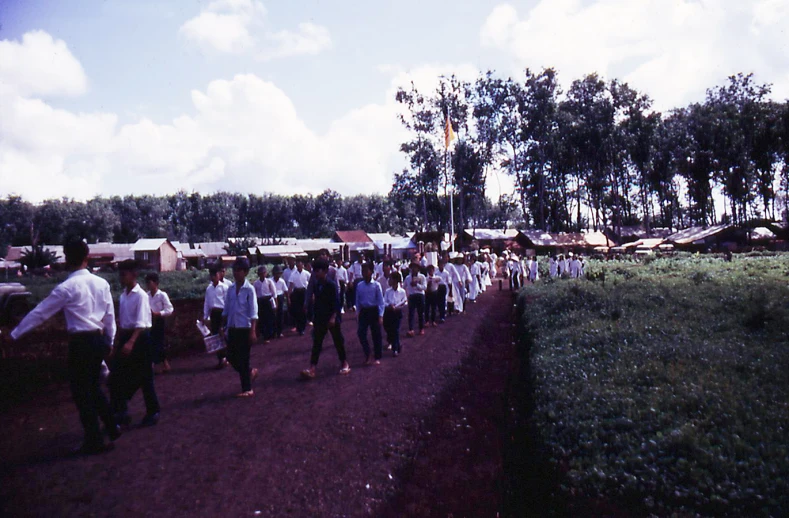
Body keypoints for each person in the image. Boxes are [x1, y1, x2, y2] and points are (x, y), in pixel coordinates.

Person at [10, 239, 120, 455]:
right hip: (98, 340)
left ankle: (95, 440)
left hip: (81, 343)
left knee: (82, 392)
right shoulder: (101, 283)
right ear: (87, 257)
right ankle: (111, 425)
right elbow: (110, 316)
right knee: (93, 387)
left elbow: (40, 313)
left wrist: (15, 334)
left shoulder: (66, 288)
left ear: (67, 259)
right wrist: (110, 340)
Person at [110, 260, 160, 428]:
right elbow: (123, 320)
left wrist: (131, 342)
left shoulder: (141, 296)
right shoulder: (123, 296)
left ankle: (153, 411)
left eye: (124, 274)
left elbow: (141, 321)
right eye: (120, 274)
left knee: (146, 377)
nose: (121, 278)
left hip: (140, 337)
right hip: (126, 336)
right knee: (116, 375)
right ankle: (121, 411)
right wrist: (119, 340)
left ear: (134, 275)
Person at [300, 259, 350, 379]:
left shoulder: (331, 285)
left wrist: (333, 317)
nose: (316, 273)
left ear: (326, 271)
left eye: (318, 271)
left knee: (338, 341)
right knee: (317, 343)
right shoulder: (317, 285)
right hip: (320, 318)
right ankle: (312, 368)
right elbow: (316, 301)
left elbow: (336, 303)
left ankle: (344, 363)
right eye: (315, 271)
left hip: (331, 318)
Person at [222, 257, 259, 397]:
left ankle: (247, 389)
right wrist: (223, 325)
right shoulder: (230, 289)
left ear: (245, 272)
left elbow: (253, 312)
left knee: (243, 358)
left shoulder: (249, 290)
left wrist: (253, 331)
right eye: (234, 270)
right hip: (232, 327)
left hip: (245, 328)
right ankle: (250, 372)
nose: (236, 273)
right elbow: (226, 309)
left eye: (239, 270)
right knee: (230, 356)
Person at [355, 262, 385, 365]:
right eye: (362, 271)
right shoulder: (359, 285)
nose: (364, 273)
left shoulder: (376, 285)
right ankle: (368, 354)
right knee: (361, 333)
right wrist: (357, 314)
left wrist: (381, 315)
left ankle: (377, 356)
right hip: (364, 311)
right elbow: (357, 301)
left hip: (374, 310)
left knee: (376, 334)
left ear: (371, 272)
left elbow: (381, 301)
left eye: (366, 271)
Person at [204, 265, 231, 369]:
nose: (213, 277)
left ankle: (227, 357)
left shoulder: (224, 287)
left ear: (218, 275)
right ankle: (221, 358)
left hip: (222, 313)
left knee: (224, 335)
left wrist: (226, 315)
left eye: (214, 275)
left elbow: (228, 302)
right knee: (215, 337)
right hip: (213, 313)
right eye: (211, 276)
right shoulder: (209, 289)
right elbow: (207, 303)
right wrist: (205, 316)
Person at [146, 273, 173, 373]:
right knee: (150, 342)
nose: (148, 285)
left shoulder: (162, 295)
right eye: (147, 283)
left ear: (156, 283)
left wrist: (159, 313)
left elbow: (170, 309)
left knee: (159, 343)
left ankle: (164, 364)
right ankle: (153, 364)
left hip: (159, 321)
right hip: (149, 321)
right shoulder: (146, 295)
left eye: (150, 283)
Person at [383, 272, 407, 356]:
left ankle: (395, 349)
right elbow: (384, 301)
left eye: (391, 279)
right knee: (390, 330)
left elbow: (404, 301)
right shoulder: (387, 291)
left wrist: (398, 307)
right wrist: (389, 305)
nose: (389, 280)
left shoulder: (402, 292)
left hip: (397, 312)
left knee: (396, 330)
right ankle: (398, 344)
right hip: (389, 313)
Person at [253, 266, 277, 343]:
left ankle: (270, 333)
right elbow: (255, 294)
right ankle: (265, 335)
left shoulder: (269, 282)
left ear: (266, 273)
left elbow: (274, 293)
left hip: (268, 300)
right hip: (260, 301)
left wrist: (275, 303)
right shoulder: (256, 283)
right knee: (262, 318)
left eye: (263, 273)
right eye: (260, 273)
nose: (262, 275)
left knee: (269, 317)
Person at [288, 259, 310, 336]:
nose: (299, 267)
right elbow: (291, 285)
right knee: (297, 311)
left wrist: (312, 294)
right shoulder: (293, 274)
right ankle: (299, 328)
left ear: (302, 265)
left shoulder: (307, 273)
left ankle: (303, 328)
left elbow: (310, 284)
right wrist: (289, 296)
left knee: (304, 309)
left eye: (300, 265)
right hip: (296, 292)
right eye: (297, 266)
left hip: (304, 292)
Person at [404, 262, 427, 337]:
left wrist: (416, 285)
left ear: (418, 268)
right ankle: (411, 329)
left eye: (415, 267)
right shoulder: (407, 278)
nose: (414, 269)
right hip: (412, 296)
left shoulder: (422, 277)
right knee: (411, 313)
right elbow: (404, 286)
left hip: (420, 295)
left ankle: (421, 328)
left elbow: (424, 287)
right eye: (412, 268)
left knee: (421, 313)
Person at [271, 265, 288, 338]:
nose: (278, 275)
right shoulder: (270, 281)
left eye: (279, 273)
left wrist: (288, 299)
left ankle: (279, 332)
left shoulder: (282, 281)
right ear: (273, 273)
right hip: (272, 298)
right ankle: (273, 332)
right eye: (276, 273)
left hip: (280, 297)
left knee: (280, 315)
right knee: (272, 316)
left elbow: (285, 291)